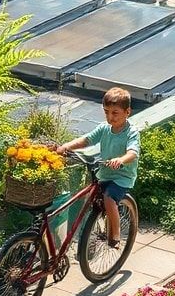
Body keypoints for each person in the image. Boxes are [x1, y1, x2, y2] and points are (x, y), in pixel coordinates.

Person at [56, 87, 139, 248]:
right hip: (105, 173)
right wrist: (67, 147)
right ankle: (90, 234)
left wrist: (121, 160)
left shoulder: (131, 132)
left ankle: (114, 235)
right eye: (106, 112)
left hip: (122, 177)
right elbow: (87, 140)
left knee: (109, 198)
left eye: (115, 113)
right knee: (88, 198)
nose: (110, 117)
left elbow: (133, 153)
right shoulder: (104, 128)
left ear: (127, 112)